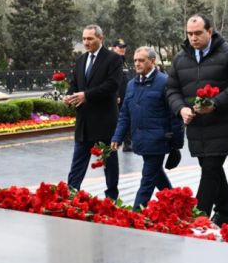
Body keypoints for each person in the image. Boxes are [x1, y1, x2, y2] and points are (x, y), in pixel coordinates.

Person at [167, 14, 228, 227]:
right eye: (189, 34)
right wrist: (181, 108)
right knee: (211, 168)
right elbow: (172, 90)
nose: (193, 38)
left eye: (198, 33)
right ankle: (223, 212)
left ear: (209, 32)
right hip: (197, 128)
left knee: (211, 169)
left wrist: (215, 104)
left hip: (222, 125)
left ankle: (198, 217)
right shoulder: (180, 59)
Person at [111, 47, 184, 210]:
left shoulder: (165, 82)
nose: (137, 64)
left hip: (159, 140)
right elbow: (125, 114)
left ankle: (136, 213)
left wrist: (176, 145)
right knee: (156, 175)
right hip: (141, 140)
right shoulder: (131, 84)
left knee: (147, 180)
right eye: (135, 60)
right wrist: (117, 137)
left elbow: (175, 116)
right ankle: (177, 205)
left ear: (152, 61)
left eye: (141, 60)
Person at [64, 24, 122, 200]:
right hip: (84, 121)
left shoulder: (113, 59)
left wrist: (86, 95)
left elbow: (112, 85)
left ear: (100, 38)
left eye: (90, 38)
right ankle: (71, 194)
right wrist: (69, 96)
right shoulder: (80, 60)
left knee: (109, 162)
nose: (86, 42)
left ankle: (111, 197)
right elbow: (75, 83)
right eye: (84, 39)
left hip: (105, 121)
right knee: (78, 161)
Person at [111, 39, 132, 152]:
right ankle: (117, 143)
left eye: (124, 47)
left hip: (125, 96)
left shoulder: (122, 60)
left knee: (125, 118)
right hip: (118, 97)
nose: (123, 49)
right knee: (118, 120)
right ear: (114, 48)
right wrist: (116, 94)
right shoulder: (112, 61)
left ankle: (127, 143)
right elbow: (113, 80)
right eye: (120, 47)